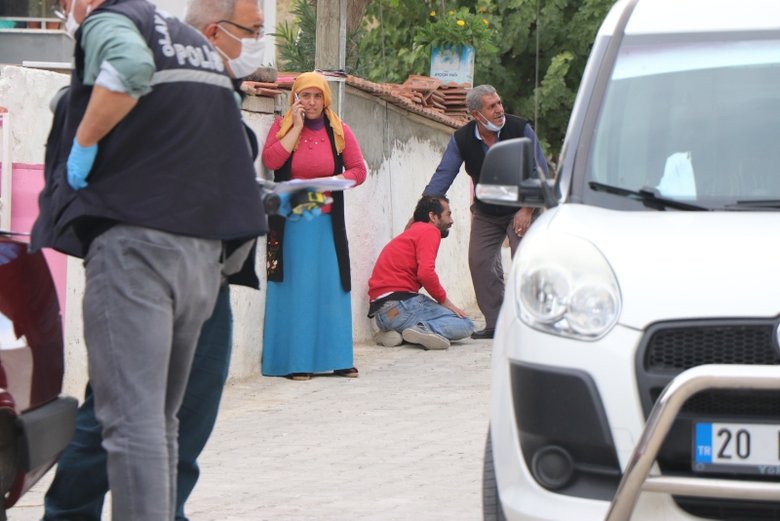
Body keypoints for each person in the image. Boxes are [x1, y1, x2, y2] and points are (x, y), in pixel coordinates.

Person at [29, 0, 267, 518]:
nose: (62, 11)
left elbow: (130, 69)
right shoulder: (196, 47)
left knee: (131, 423)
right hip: (202, 258)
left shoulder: (115, 20)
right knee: (160, 424)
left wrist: (82, 146)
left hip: (136, 249)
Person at [262, 71, 367, 381]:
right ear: (295, 97)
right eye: (304, 95)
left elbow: (359, 170)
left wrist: (336, 180)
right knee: (297, 286)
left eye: (316, 96)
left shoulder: (339, 130)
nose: (310, 102)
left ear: (326, 99)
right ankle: (296, 362)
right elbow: (272, 162)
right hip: (292, 221)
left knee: (332, 285)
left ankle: (338, 358)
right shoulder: (281, 128)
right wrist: (294, 127)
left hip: (326, 220)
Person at [422, 84, 548, 340]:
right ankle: (497, 323)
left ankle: (534, 321)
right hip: (487, 211)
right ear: (475, 114)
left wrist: (526, 209)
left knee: (527, 260)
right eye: (492, 106)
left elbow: (540, 170)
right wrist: (421, 212)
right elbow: (443, 175)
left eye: (499, 103)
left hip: (522, 207)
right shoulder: (462, 139)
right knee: (479, 262)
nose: (500, 110)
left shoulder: (520, 128)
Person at [368, 195, 474, 350]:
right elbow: (426, 273)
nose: (451, 221)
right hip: (402, 305)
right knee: (465, 323)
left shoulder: (412, 232)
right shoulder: (429, 230)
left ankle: (390, 334)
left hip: (383, 316)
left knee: (416, 319)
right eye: (448, 214)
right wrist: (446, 303)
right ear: (432, 216)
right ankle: (424, 329)